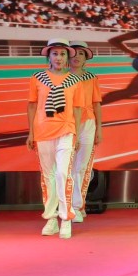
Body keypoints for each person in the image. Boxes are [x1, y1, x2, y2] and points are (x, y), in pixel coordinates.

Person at [28, 38, 85, 239]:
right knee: (48, 176)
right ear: (49, 56)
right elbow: (32, 106)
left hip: (66, 130)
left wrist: (76, 133)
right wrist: (31, 132)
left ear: (67, 57)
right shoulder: (37, 78)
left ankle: (66, 218)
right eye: (55, 53)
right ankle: (51, 218)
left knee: (62, 173)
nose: (59, 57)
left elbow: (77, 109)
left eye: (62, 54)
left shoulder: (75, 80)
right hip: (43, 131)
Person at [68, 41, 103, 222]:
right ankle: (70, 205)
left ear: (85, 58)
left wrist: (99, 128)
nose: (77, 57)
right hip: (66, 124)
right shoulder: (63, 78)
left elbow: (96, 104)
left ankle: (77, 206)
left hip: (88, 124)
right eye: (74, 53)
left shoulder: (91, 78)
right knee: (67, 167)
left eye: (81, 54)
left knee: (82, 167)